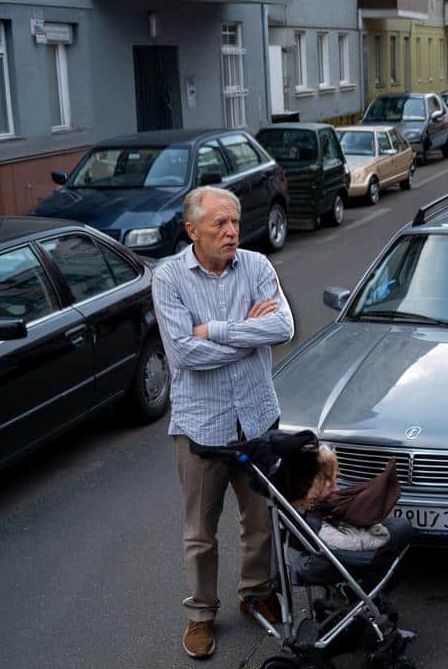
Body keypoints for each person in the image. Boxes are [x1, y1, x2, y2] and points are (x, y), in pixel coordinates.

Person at [152, 186, 295, 660]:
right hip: (201, 426)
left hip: (257, 418)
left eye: (234, 221)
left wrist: (214, 330)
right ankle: (201, 613)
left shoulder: (256, 266)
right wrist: (249, 337)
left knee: (261, 520)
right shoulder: (169, 278)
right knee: (200, 532)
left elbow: (283, 327)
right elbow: (183, 354)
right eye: (220, 223)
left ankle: (256, 592)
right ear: (192, 229)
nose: (232, 231)